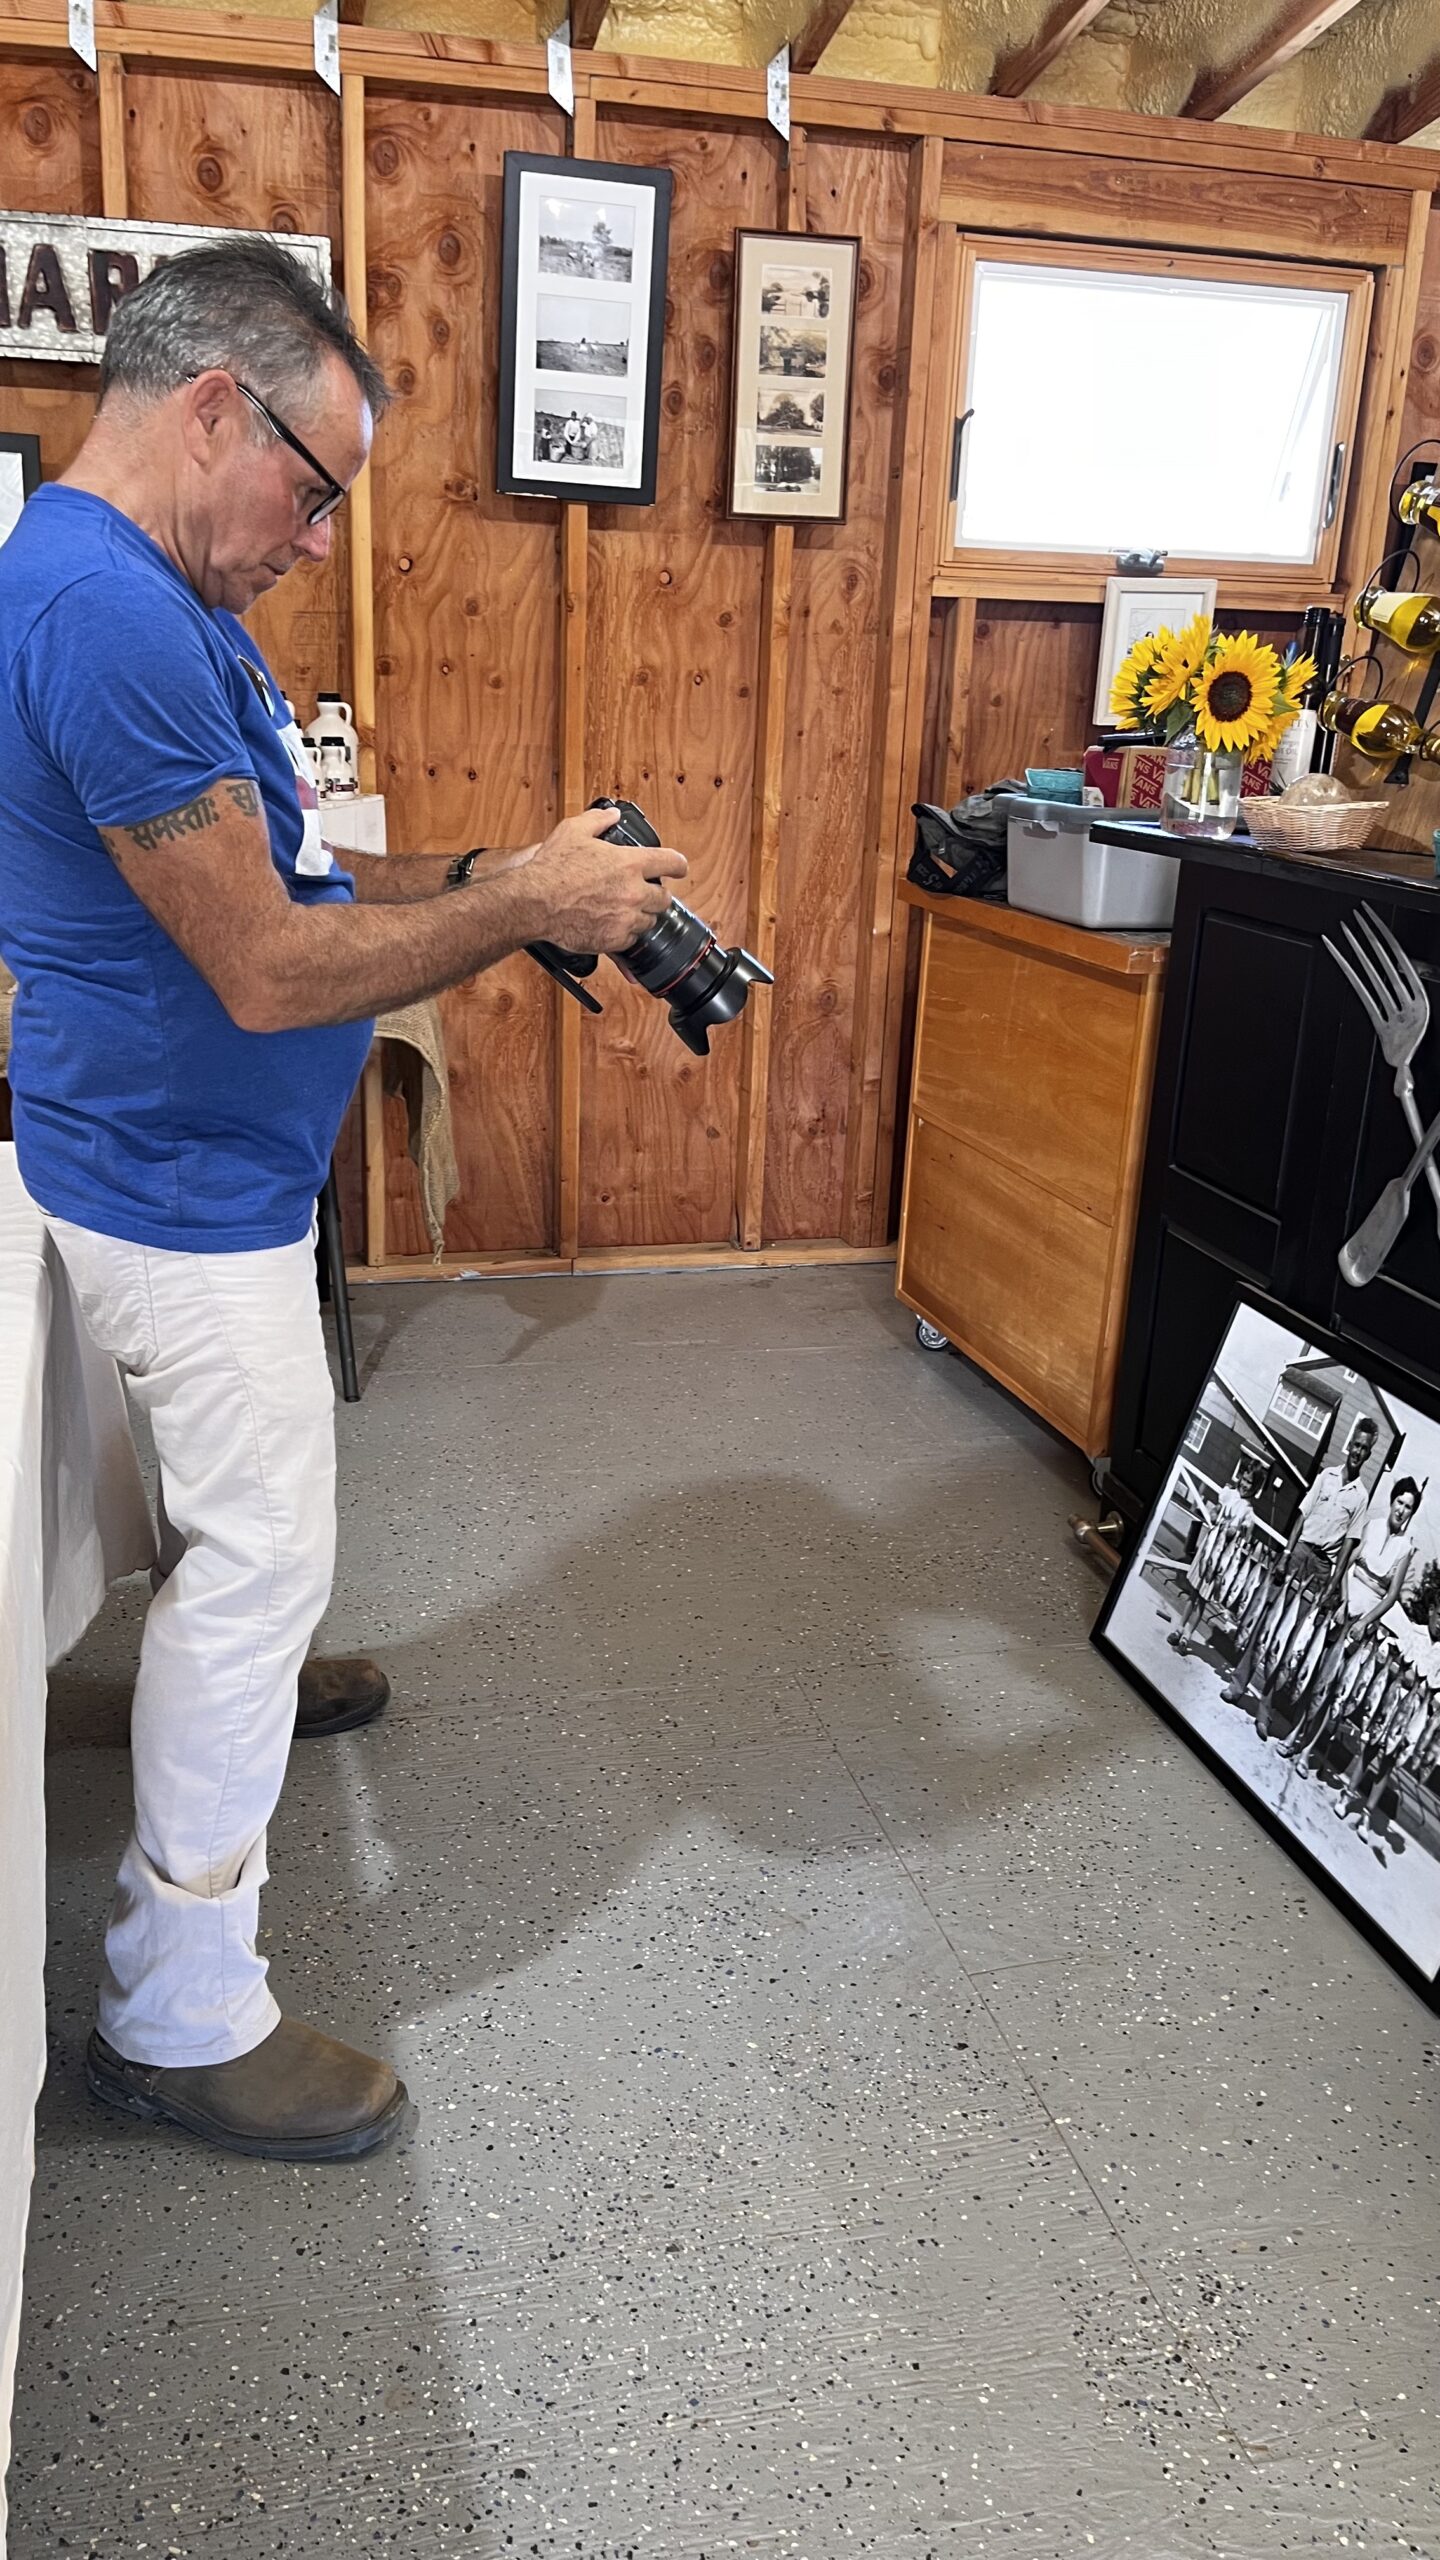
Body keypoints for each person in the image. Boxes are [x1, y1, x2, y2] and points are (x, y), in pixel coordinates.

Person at [0, 239, 687, 2163]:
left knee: (206, 1532)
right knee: (262, 1559)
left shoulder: (137, 592)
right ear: (213, 404)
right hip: (180, 1185)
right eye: (311, 488)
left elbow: (286, 869)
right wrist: (522, 914)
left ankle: (202, 1699)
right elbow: (267, 971)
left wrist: (485, 869)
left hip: (162, 1153)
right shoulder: (110, 618)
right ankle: (179, 2009)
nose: (315, 541)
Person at [1221, 1417, 1377, 1708]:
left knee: (1293, 1638)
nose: (1357, 1451)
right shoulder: (1326, 1476)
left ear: (1368, 1454)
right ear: (1349, 1446)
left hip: (1321, 1567)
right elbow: (1302, 1516)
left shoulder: (1361, 1498)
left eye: (1363, 1448)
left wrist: (1333, 1581)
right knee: (1266, 1618)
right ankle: (1238, 1683)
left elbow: (1347, 1545)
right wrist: (1287, 1553)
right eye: (1355, 1444)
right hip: (1301, 1553)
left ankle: (1265, 1708)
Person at [1280, 1476, 1422, 1778]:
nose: (1402, 1510)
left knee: (1337, 1689)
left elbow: (1392, 1594)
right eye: (1399, 1502)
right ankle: (1293, 1734)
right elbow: (1346, 1566)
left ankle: (1306, 1750)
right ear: (1392, 1500)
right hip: (1344, 1609)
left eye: (1408, 1507)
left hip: (1364, 1623)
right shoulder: (1371, 1526)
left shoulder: (1405, 1548)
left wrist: (1365, 1623)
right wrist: (1343, 1604)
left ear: (1412, 1512)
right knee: (1316, 1672)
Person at [1165, 1450, 1264, 1656]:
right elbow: (1214, 1511)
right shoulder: (1229, 1494)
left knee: (1202, 1599)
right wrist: (1215, 1512)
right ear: (1241, 1477)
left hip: (1221, 1560)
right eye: (1244, 1480)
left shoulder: (1249, 1512)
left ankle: (1188, 1636)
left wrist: (1238, 1530)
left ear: (1255, 1489)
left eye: (1250, 1484)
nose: (1245, 1485)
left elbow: (1245, 1536)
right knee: (1193, 1592)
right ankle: (1179, 1627)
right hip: (1208, 1550)